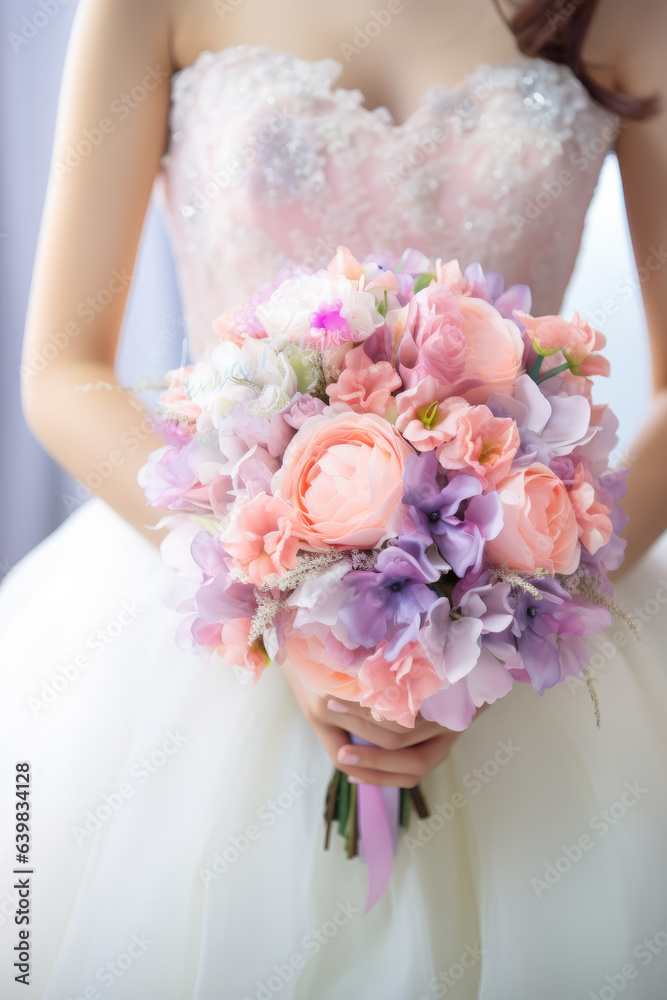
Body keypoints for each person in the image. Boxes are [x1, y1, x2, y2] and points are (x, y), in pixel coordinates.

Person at [1, 0, 666, 997]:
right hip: (207, 582)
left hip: (519, 611)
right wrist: (283, 608)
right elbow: (60, 369)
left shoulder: (629, 11)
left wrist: (511, 613)